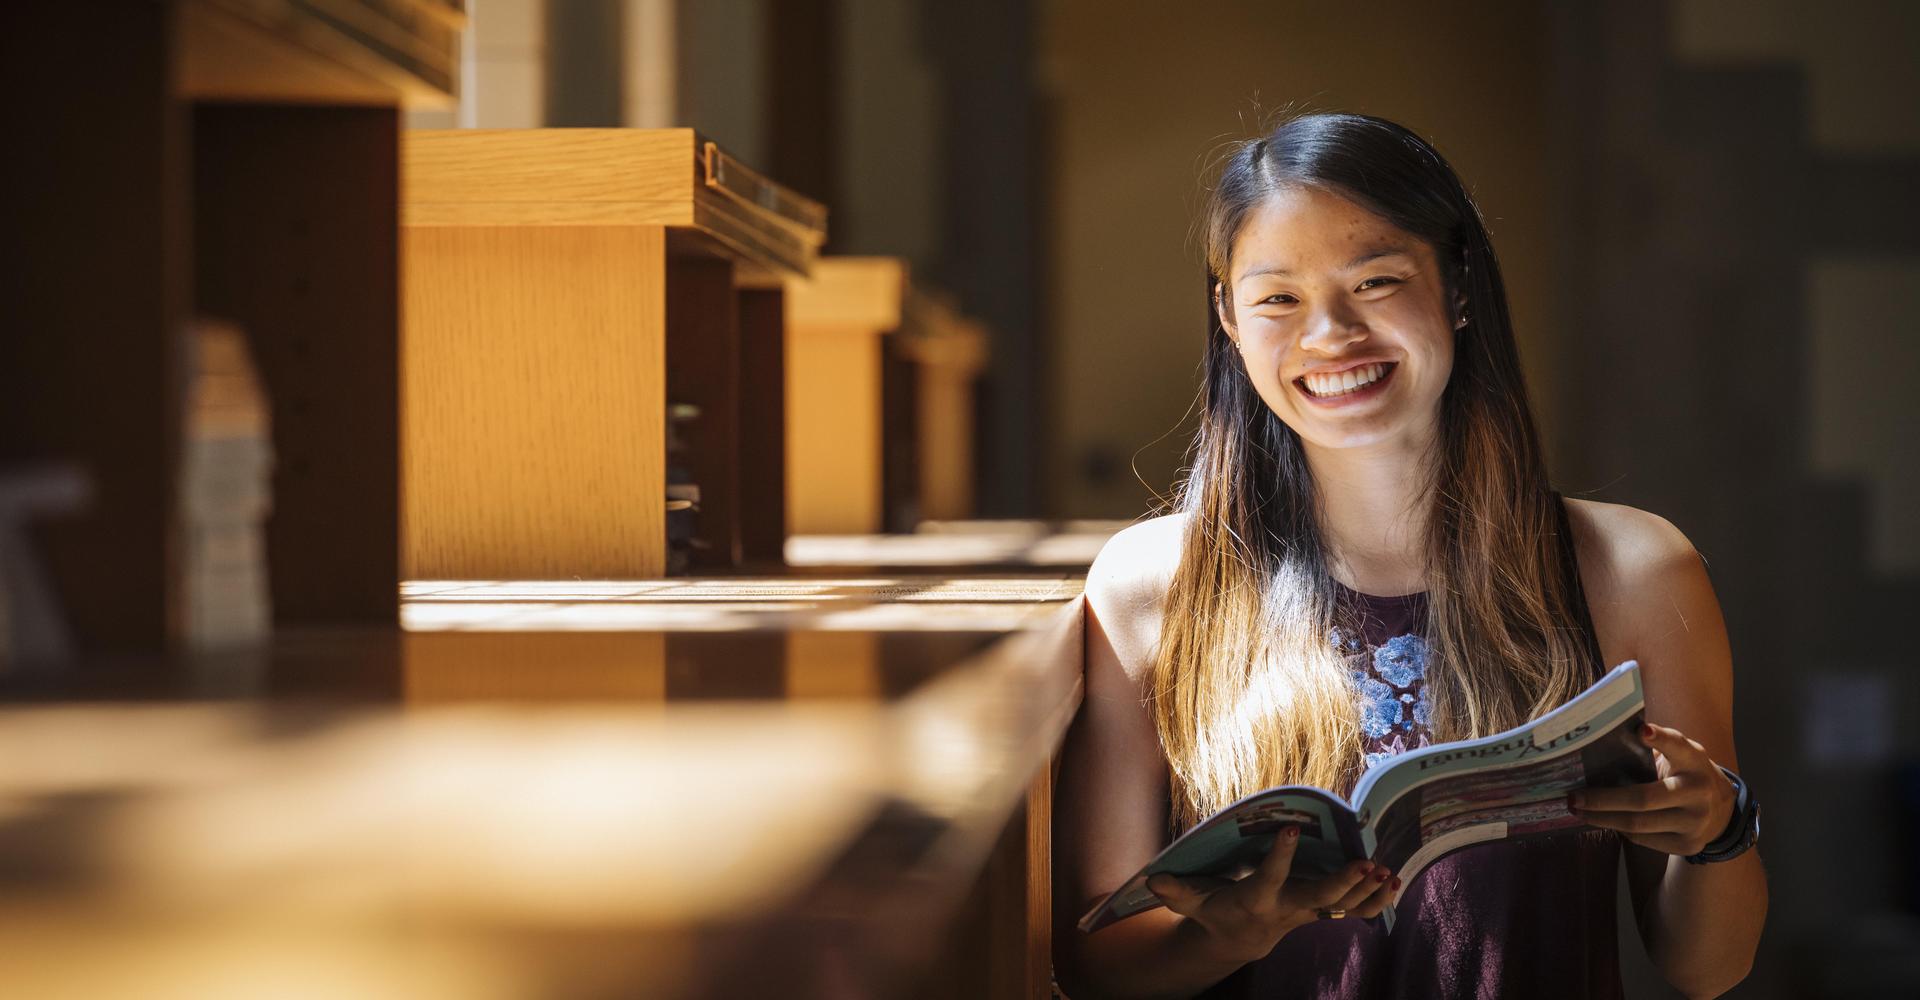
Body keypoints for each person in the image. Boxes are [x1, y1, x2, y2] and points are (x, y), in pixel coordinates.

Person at [1052, 113, 1767, 1000]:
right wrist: (1222, 940)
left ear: (1459, 288)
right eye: (1278, 298)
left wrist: (1717, 832)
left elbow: (1708, 968)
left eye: (1377, 280)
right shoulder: (1151, 587)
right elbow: (1093, 964)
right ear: (1228, 317)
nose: (1329, 333)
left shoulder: (1633, 569)